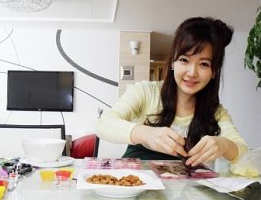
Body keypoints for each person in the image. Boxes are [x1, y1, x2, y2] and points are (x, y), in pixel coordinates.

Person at [96, 17, 248, 165]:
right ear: (173, 62)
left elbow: (244, 152)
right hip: (135, 177)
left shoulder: (215, 112)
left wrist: (224, 145)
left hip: (183, 181)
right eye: (184, 60)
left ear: (214, 71)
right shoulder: (145, 92)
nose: (192, 73)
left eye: (204, 64)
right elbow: (103, 125)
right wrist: (145, 134)